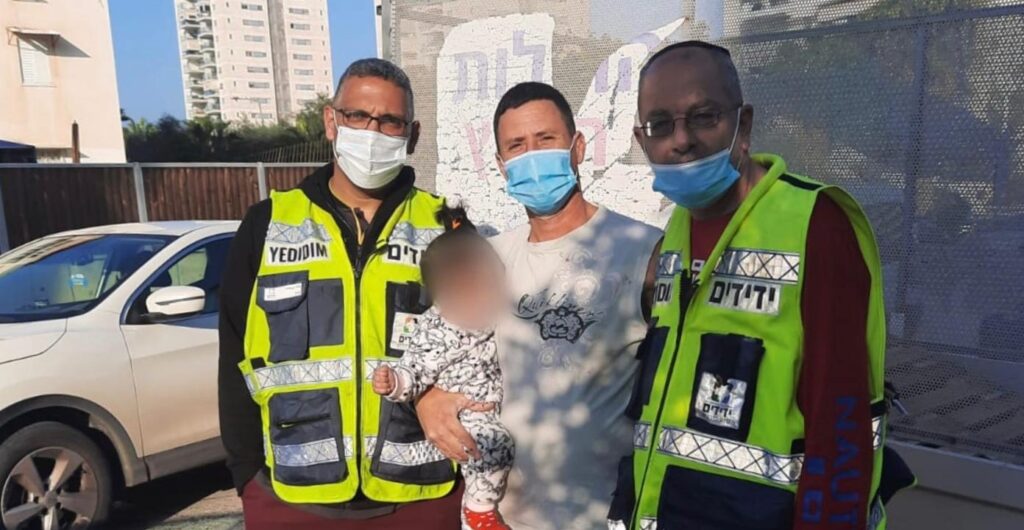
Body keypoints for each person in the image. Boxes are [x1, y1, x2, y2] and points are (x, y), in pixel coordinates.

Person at [609, 40, 892, 529]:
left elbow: (841, 425)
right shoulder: (677, 229)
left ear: (744, 124)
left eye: (703, 116)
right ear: (642, 139)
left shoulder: (814, 224)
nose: (681, 140)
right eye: (660, 124)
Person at [218, 58, 463, 530]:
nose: (373, 132)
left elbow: (480, 348)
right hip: (290, 499)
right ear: (331, 121)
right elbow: (234, 354)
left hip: (423, 496)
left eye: (390, 121)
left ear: (411, 135)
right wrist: (247, 476)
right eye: (358, 116)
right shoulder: (268, 224)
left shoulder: (444, 226)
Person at [417, 81, 664, 529]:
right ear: (501, 165)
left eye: (545, 139)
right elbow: (445, 343)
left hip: (601, 516)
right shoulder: (486, 259)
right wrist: (427, 398)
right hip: (500, 516)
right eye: (516, 146)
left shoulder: (642, 250)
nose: (531, 157)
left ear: (577, 147)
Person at [372, 215, 514, 530]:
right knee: (495, 446)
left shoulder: (494, 315)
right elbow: (415, 369)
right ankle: (479, 510)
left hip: (495, 405)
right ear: (442, 297)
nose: (479, 301)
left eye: (487, 288)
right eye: (467, 293)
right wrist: (394, 382)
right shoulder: (436, 331)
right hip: (469, 413)